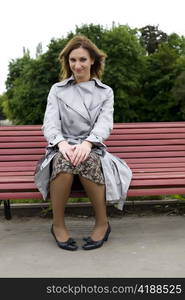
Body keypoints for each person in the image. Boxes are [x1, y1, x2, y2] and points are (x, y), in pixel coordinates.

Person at [34, 35, 132, 251]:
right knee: (63, 162)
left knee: (87, 160)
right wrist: (62, 144)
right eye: (72, 60)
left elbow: (105, 124)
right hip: (62, 146)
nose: (77, 65)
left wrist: (87, 144)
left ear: (93, 61)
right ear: (67, 62)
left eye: (82, 60)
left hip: (92, 146)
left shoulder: (105, 92)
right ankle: (58, 225)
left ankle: (102, 223)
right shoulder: (57, 90)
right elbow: (49, 124)